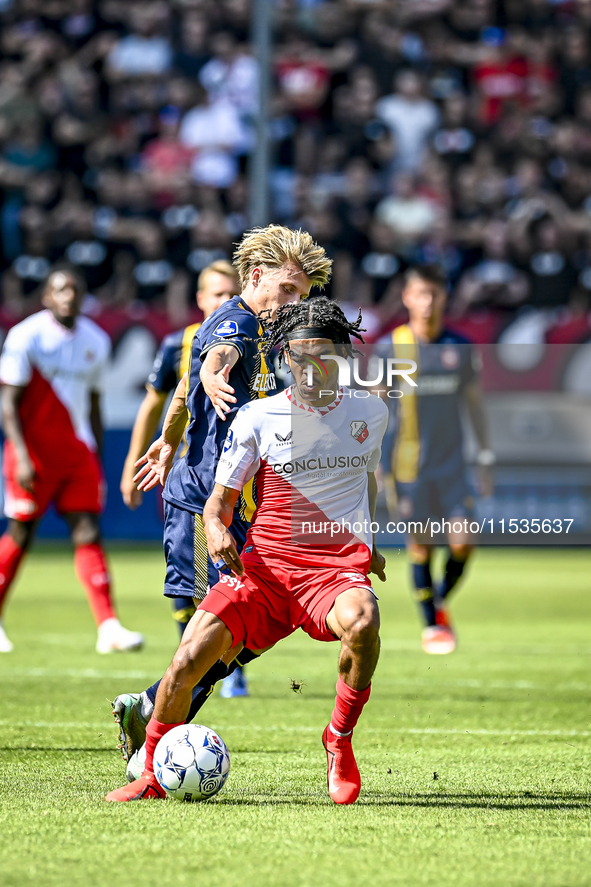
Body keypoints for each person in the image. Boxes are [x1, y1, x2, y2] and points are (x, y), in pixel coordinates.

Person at [105, 298, 389, 805]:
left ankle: (338, 740)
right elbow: (220, 502)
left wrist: (370, 545)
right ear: (284, 357)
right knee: (188, 659)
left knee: (364, 622)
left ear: (342, 356)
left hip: (332, 574)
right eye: (297, 356)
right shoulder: (259, 415)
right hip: (263, 571)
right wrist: (215, 528)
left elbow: (363, 480)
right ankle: (149, 773)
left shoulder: (370, 409)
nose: (309, 367)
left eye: (321, 355)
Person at [111, 225, 332, 762]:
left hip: (247, 508)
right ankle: (156, 745)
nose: (292, 303)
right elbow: (212, 361)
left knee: (249, 632)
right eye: (287, 290)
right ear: (256, 276)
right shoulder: (235, 321)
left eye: (301, 295)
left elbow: (184, 387)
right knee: (217, 635)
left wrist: (167, 439)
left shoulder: (272, 332)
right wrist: (214, 374)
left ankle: (148, 705)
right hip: (204, 503)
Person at [0, 267, 143, 654]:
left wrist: (94, 458)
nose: (68, 296)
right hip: (33, 453)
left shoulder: (95, 340)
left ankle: (108, 627)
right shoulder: (26, 336)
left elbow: (95, 405)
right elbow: (8, 404)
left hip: (77, 454)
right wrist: (22, 457)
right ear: (46, 296)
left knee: (88, 531)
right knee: (21, 533)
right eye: (60, 289)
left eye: (75, 289)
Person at [120, 260, 238, 638]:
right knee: (192, 574)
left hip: (237, 476)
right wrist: (131, 465)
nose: (226, 301)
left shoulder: (249, 339)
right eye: (218, 293)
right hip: (191, 472)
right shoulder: (178, 344)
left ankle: (217, 665)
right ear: (201, 299)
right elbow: (154, 404)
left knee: (229, 572)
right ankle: (190, 661)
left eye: (231, 293)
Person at [384, 265, 494, 655]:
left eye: (434, 294)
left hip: (452, 467)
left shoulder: (460, 348)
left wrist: (484, 455)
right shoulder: (392, 347)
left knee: (464, 543)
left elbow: (475, 405)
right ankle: (432, 626)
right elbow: (377, 408)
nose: (427, 303)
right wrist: (376, 467)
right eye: (420, 294)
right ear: (407, 298)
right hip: (408, 468)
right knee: (421, 546)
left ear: (443, 298)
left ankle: (440, 601)